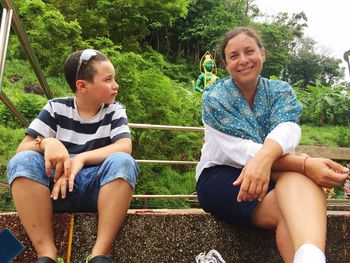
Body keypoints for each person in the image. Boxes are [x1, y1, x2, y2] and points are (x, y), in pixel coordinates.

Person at [195, 27, 349, 263]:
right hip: (223, 175)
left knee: (293, 207)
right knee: (296, 203)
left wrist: (266, 159)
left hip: (275, 171)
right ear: (225, 64)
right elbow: (239, 151)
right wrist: (304, 164)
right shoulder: (215, 98)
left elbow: (288, 129)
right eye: (234, 56)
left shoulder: (281, 91)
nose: (243, 60)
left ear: (262, 54)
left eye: (249, 51)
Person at [7, 49, 139, 263]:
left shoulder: (114, 110)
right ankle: (47, 255)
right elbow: (23, 148)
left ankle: (99, 255)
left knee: (123, 162)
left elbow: (124, 146)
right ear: (82, 86)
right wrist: (47, 141)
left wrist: (80, 158)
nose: (115, 85)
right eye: (108, 80)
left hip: (97, 190)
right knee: (22, 161)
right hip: (53, 190)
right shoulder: (56, 108)